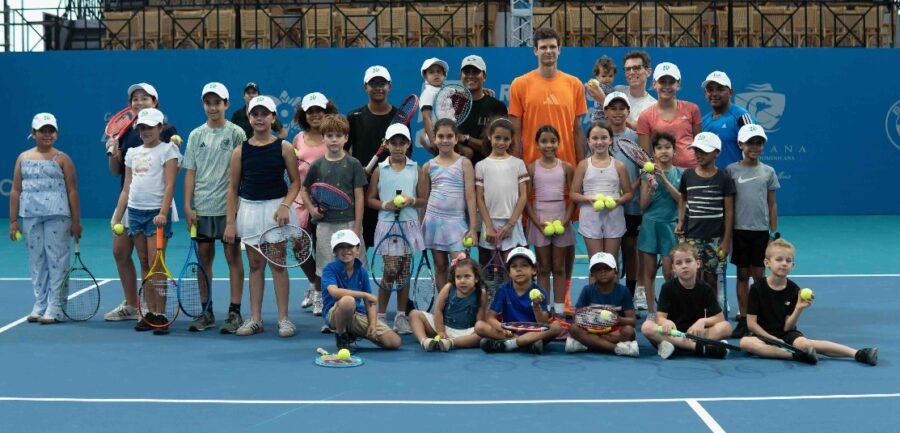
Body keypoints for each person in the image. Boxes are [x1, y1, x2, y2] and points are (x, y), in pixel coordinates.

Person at [508, 27, 587, 316]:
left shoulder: (574, 84)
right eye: (543, 47)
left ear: (559, 49)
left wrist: (581, 167)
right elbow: (515, 130)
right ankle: (538, 303)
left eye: (553, 46)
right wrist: (516, 167)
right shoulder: (520, 84)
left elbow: (578, 129)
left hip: (566, 175)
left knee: (565, 245)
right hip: (533, 175)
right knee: (539, 247)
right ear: (535, 50)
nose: (548, 51)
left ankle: (562, 300)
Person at [223, 96, 301, 338]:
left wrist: (286, 206)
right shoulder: (240, 151)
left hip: (276, 210)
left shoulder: (284, 147)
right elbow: (233, 189)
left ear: (273, 118)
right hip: (249, 210)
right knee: (255, 266)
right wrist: (230, 222)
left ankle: (283, 319)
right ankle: (255, 319)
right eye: (254, 114)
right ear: (249, 118)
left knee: (278, 264)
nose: (259, 118)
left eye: (264, 113)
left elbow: (296, 183)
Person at [104, 83, 179, 322]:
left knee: (155, 262)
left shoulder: (167, 134)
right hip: (132, 205)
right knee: (127, 255)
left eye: (144, 97)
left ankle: (157, 311)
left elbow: (169, 177)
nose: (138, 101)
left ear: (155, 103)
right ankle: (138, 306)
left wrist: (164, 210)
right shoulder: (126, 133)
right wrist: (114, 153)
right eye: (135, 98)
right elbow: (119, 174)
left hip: (156, 206)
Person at [739, 239, 878, 366]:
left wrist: (799, 308)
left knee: (805, 344)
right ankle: (795, 355)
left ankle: (858, 354)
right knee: (745, 343)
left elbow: (788, 327)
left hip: (786, 334)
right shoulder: (757, 288)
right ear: (767, 263)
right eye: (779, 259)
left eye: (788, 261)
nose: (784, 263)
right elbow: (751, 324)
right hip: (763, 335)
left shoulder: (794, 290)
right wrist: (772, 339)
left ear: (792, 265)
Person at [182, 82, 247, 334]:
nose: (212, 107)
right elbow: (190, 172)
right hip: (202, 208)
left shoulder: (236, 134)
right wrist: (188, 206)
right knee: (204, 259)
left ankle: (234, 312)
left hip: (229, 208)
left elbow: (242, 173)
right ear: (203, 105)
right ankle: (206, 311)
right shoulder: (196, 134)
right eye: (208, 102)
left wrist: (237, 210)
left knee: (232, 257)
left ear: (226, 104)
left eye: (217, 102)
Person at [9, 113, 82, 324]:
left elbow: (73, 192)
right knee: (37, 261)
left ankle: (56, 307)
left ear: (56, 134)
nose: (47, 134)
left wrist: (76, 221)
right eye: (42, 131)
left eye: (51, 130)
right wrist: (14, 220)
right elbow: (15, 190)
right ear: (33, 133)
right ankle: (40, 304)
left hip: (58, 216)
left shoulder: (63, 159)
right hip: (31, 216)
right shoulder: (22, 158)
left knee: (57, 260)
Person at [301, 114, 368, 301]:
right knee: (325, 268)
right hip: (326, 227)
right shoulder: (317, 166)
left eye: (339, 135)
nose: (334, 139)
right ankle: (326, 305)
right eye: (329, 135)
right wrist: (312, 210)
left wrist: (357, 227)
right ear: (323, 138)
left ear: (346, 138)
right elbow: (304, 190)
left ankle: (356, 306)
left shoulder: (353, 164)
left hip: (350, 223)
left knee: (355, 266)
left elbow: (359, 197)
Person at [366, 123, 425, 334]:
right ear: (387, 144)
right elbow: (369, 199)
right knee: (391, 270)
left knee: (403, 272)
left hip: (408, 225)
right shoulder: (379, 170)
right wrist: (386, 205)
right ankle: (380, 316)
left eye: (402, 143)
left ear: (409, 144)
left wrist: (411, 200)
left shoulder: (416, 169)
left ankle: (400, 316)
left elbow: (423, 200)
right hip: (387, 225)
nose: (398, 147)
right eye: (394, 143)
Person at [725, 125, 780, 338]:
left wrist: (773, 232)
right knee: (742, 275)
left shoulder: (768, 172)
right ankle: (744, 316)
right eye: (750, 143)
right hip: (739, 231)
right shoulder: (731, 170)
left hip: (761, 232)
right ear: (740, 144)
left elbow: (772, 204)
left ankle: (759, 316)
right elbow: (727, 205)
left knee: (759, 275)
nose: (755, 147)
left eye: (759, 143)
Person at [640, 243, 733, 359]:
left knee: (726, 327)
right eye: (679, 263)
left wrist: (702, 322)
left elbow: (720, 319)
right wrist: (666, 323)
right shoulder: (667, 288)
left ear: (698, 264)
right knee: (647, 326)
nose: (684, 266)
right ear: (673, 268)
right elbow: (660, 318)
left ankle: (674, 346)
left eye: (688, 261)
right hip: (673, 333)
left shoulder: (705, 289)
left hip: (696, 333)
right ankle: (698, 347)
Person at [293, 92, 339, 321]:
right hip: (302, 200)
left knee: (322, 250)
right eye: (310, 111)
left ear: (327, 111)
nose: (315, 115)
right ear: (304, 114)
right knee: (298, 246)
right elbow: (293, 174)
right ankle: (314, 283)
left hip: (327, 203)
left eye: (319, 110)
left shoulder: (333, 137)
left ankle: (320, 294)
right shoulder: (298, 139)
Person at [420, 119, 478, 291]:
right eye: (440, 136)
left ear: (456, 139)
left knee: (460, 268)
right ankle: (444, 307)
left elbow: (470, 196)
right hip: (433, 223)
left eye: (449, 136)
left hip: (457, 223)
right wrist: (421, 225)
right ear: (435, 139)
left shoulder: (465, 163)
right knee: (441, 267)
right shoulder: (428, 166)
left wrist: (473, 228)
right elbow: (424, 199)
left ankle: (461, 306)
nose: (445, 140)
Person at [321, 229, 401, 352]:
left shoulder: (362, 271)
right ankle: (341, 336)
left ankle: (352, 332)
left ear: (357, 250)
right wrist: (364, 294)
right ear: (334, 252)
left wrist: (372, 325)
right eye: (341, 247)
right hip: (334, 315)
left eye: (350, 246)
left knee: (394, 342)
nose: (346, 250)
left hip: (357, 314)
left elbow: (370, 303)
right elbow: (335, 292)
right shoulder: (329, 269)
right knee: (348, 301)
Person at [524, 125, 574, 317]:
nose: (549, 145)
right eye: (544, 141)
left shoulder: (566, 167)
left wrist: (565, 220)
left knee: (559, 267)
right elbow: (527, 200)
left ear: (558, 143)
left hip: (561, 219)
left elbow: (573, 198)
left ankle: (559, 311)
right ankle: (543, 310)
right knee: (543, 268)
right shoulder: (532, 168)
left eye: (553, 141)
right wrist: (537, 223)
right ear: (537, 144)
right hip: (540, 220)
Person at [474, 247, 563, 354]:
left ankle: (509, 344)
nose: (518, 269)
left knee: (556, 327)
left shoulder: (540, 291)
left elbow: (543, 323)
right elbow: (490, 317)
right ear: (509, 272)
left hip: (533, 332)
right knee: (479, 326)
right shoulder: (503, 289)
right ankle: (527, 344)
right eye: (514, 266)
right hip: (509, 332)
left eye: (524, 265)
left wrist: (536, 307)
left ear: (534, 270)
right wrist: (504, 329)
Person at [676, 132, 735, 294]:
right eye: (696, 150)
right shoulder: (687, 175)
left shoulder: (724, 178)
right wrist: (680, 221)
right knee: (694, 276)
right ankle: (695, 311)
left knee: (711, 278)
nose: (699, 155)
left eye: (704, 151)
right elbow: (683, 198)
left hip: (716, 239)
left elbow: (729, 212)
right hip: (692, 237)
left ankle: (711, 311)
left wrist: (726, 240)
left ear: (717, 152)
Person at [347, 65, 397, 251]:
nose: (378, 87)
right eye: (373, 83)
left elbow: (406, 153)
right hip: (362, 190)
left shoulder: (399, 117)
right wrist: (357, 168)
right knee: (361, 243)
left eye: (382, 83)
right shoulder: (354, 116)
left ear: (389, 86)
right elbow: (344, 151)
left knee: (390, 247)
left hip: (390, 189)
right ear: (365, 87)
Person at [571, 121, 633, 269]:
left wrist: (618, 200)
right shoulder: (583, 165)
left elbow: (629, 193)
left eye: (604, 137)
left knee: (612, 265)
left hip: (614, 217)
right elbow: (573, 194)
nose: (599, 142)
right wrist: (589, 199)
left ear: (611, 139)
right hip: (590, 218)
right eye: (595, 138)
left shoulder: (619, 165)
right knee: (596, 265)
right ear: (588, 141)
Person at [604, 91, 644, 307]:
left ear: (628, 112)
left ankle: (628, 295)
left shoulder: (637, 137)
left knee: (630, 250)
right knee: (610, 252)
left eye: (622, 108)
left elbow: (643, 170)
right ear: (606, 111)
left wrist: (629, 191)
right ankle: (611, 294)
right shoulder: (600, 135)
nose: (618, 112)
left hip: (632, 206)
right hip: (607, 207)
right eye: (613, 108)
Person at [637, 132, 683, 314]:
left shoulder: (681, 174)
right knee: (648, 273)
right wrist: (651, 186)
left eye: (667, 147)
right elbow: (643, 205)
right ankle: (651, 312)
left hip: (670, 227)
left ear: (674, 151)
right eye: (659, 148)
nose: (663, 151)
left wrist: (663, 180)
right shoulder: (647, 175)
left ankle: (669, 311)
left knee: (669, 273)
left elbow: (681, 200)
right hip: (649, 226)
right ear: (654, 152)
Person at [474, 118, 528, 272]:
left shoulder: (518, 164)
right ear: (490, 136)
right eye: (498, 138)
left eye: (506, 139)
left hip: (512, 225)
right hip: (490, 225)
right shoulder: (481, 166)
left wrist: (510, 225)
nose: (501, 142)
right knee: (496, 270)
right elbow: (479, 198)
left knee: (513, 270)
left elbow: (523, 196)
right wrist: (489, 226)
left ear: (511, 140)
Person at [565, 252, 638, 356]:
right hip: (591, 330)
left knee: (629, 332)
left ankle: (588, 344)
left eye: (607, 268)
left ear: (615, 272)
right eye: (598, 269)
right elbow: (576, 318)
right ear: (592, 274)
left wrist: (619, 319)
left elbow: (632, 321)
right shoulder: (587, 290)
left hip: (613, 330)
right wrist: (591, 323)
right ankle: (616, 348)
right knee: (573, 329)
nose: (603, 272)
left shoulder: (624, 291)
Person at [409, 254, 487, 351]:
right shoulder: (449, 287)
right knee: (414, 314)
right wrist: (441, 331)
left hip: (465, 333)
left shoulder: (481, 293)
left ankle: (450, 343)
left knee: (481, 334)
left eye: (467, 276)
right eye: (458, 277)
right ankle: (425, 342)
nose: (462, 281)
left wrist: (478, 331)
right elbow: (438, 310)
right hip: (443, 327)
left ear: (476, 278)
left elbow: (480, 320)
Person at [637, 62, 702, 168]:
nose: (667, 86)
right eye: (662, 82)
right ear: (654, 84)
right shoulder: (645, 116)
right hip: (663, 176)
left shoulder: (692, 109)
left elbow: (699, 146)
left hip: (692, 172)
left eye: (671, 82)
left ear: (678, 84)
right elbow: (645, 156)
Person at [456, 55, 507, 165]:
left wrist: (465, 138)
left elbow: (497, 146)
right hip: (457, 173)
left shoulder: (497, 107)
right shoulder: (452, 104)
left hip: (489, 171)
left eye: (475, 72)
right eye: (466, 72)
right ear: (460, 76)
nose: (470, 76)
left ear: (484, 76)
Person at [700, 71, 755, 169]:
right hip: (710, 180)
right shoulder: (703, 121)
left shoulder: (741, 116)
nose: (714, 94)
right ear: (705, 93)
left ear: (731, 92)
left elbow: (753, 149)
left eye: (720, 89)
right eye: (710, 90)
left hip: (736, 181)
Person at [588, 50, 656, 129]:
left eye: (636, 68)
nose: (631, 72)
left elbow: (637, 128)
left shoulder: (653, 106)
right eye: (627, 69)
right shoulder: (617, 90)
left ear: (648, 72)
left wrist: (604, 101)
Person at [417, 57, 448, 153]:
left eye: (439, 71)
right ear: (425, 76)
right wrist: (432, 140)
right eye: (431, 72)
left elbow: (464, 93)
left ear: (444, 75)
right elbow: (426, 118)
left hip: (448, 132)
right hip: (436, 135)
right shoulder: (428, 93)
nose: (436, 74)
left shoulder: (447, 90)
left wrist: (483, 90)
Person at [587, 55, 617, 124]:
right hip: (598, 117)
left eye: (610, 76)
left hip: (608, 118)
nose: (607, 78)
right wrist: (590, 84)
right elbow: (592, 84)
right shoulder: (599, 85)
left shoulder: (612, 88)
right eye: (603, 76)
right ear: (597, 76)